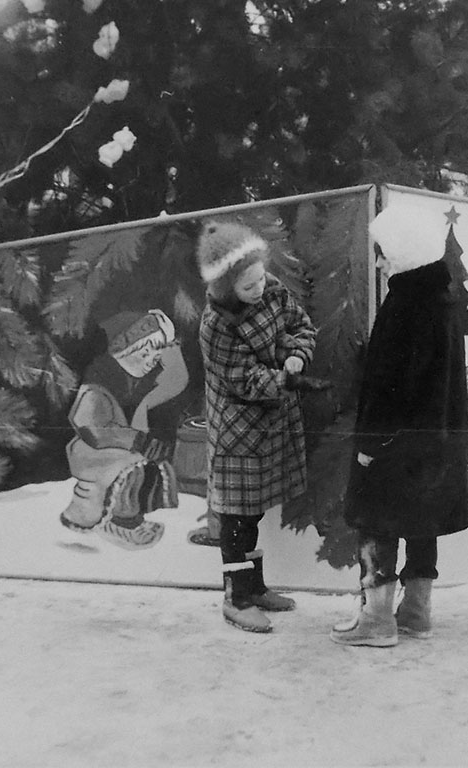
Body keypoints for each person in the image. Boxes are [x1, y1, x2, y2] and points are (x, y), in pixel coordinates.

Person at [330, 204, 468, 648]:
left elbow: (392, 386)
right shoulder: (443, 300)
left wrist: (372, 444)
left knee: (379, 522)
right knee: (422, 520)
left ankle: (375, 620)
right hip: (435, 443)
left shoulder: (405, 304)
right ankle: (416, 612)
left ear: (404, 255)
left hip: (396, 444)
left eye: (384, 252)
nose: (378, 262)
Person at [197, 220, 328, 633]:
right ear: (225, 287)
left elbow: (302, 326)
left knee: (252, 513)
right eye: (248, 285)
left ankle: (254, 587)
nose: (259, 288)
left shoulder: (270, 287)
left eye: (259, 277)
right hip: (239, 431)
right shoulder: (215, 325)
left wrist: (297, 355)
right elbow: (243, 380)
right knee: (237, 515)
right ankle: (235, 597)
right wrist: (287, 378)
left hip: (272, 424)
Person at [60, 309, 188, 549]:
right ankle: (120, 520)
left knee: (144, 465)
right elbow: (91, 427)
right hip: (91, 449)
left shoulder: (136, 383)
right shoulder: (100, 382)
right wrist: (137, 441)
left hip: (116, 447)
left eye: (157, 353)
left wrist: (171, 344)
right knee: (130, 468)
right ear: (127, 349)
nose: (152, 359)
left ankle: (130, 515)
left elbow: (176, 378)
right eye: (147, 351)